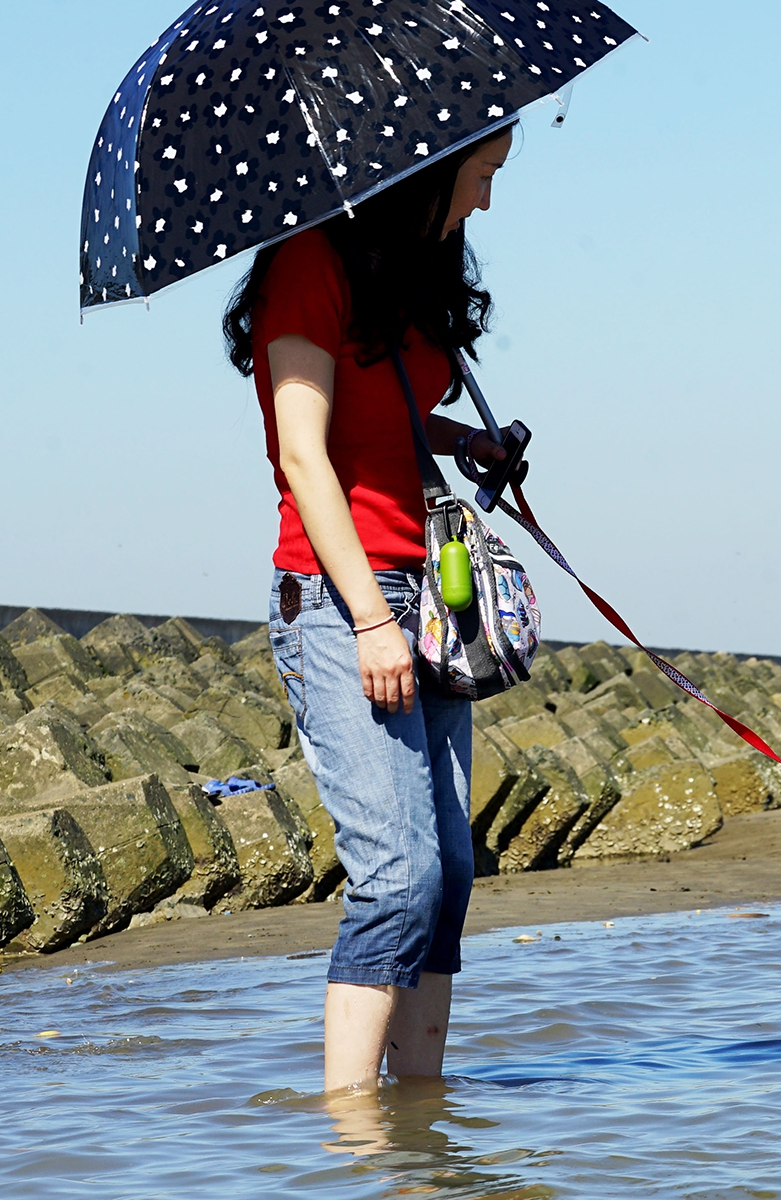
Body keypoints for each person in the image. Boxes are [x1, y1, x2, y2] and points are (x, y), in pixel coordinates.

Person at [222, 126, 518, 1093]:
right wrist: (369, 621)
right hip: (340, 598)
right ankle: (350, 1133)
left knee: (450, 877)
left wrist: (467, 444)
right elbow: (303, 454)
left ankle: (422, 1115)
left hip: (428, 592)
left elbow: (384, 419)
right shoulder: (308, 263)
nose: (486, 200)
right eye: (481, 175)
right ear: (431, 168)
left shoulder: (407, 268)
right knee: (397, 878)